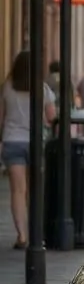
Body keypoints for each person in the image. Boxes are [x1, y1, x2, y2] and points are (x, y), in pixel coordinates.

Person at [0, 51, 58, 249]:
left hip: (12, 141)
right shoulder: (43, 89)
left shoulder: (7, 88)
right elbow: (51, 118)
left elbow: (1, 118)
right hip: (35, 143)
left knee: (17, 190)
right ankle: (36, 234)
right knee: (34, 191)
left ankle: (22, 235)